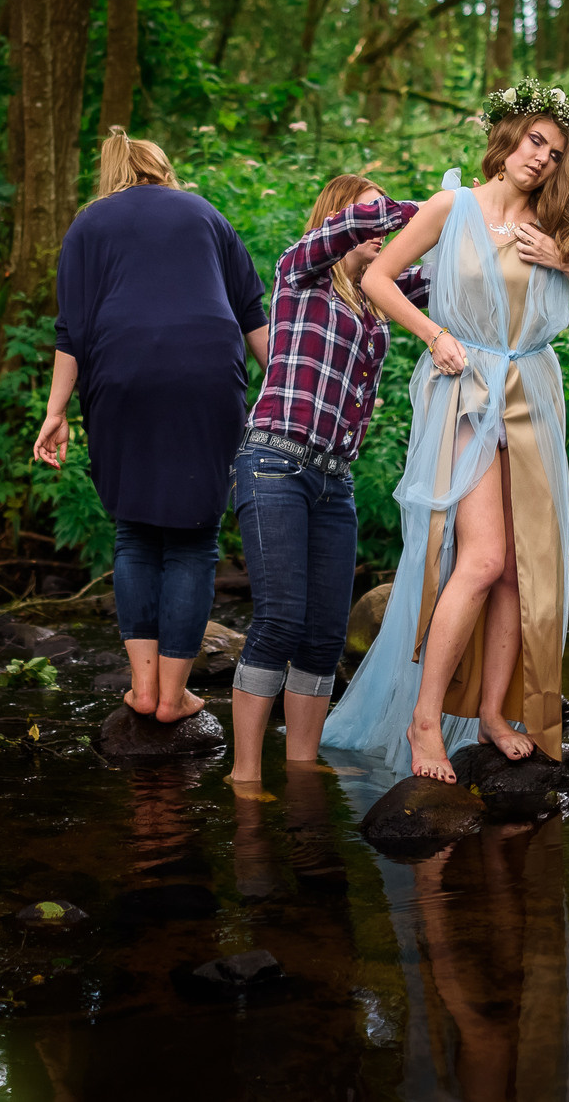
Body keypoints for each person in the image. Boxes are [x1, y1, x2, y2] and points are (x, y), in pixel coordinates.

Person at [320, 83, 569, 782]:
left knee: (519, 569)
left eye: (556, 154)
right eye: (535, 142)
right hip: (463, 389)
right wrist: (433, 335)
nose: (543, 160)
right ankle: (425, 719)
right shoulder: (450, 207)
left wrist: (565, 260)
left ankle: (493, 712)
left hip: (531, 394)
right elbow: (379, 278)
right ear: (511, 134)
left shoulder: (562, 222)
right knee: (484, 558)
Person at [36, 128, 270, 726]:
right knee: (194, 539)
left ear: (112, 172)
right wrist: (291, 391)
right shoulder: (206, 213)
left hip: (122, 373)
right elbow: (252, 317)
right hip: (206, 376)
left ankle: (143, 691)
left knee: (136, 531)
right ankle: (175, 697)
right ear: (163, 170)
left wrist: (55, 413)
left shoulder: (88, 225)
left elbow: (72, 331)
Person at [229, 173, 430, 785]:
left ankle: (299, 772)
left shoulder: (380, 290)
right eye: (366, 214)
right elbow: (355, 230)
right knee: (280, 621)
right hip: (273, 464)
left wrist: (484, 220)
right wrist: (432, 206)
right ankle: (244, 778)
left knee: (321, 637)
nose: (381, 227)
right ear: (340, 218)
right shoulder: (301, 272)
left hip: (333, 481)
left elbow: (456, 273)